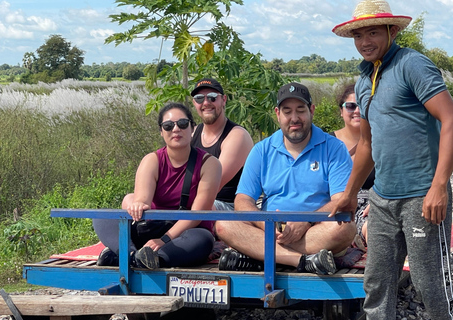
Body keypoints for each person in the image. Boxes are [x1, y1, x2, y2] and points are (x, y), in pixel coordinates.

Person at [331, 0, 453, 319]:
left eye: (373, 32)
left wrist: (439, 186)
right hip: (382, 201)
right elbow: (367, 144)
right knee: (377, 284)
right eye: (359, 35)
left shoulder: (411, 65)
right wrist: (350, 194)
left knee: (429, 284)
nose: (365, 42)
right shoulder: (364, 81)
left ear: (392, 31)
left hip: (422, 197)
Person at [215, 82, 357, 275]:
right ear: (277, 113)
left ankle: (259, 256)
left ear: (311, 111)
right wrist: (265, 223)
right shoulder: (262, 150)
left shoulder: (334, 148)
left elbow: (341, 199)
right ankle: (300, 261)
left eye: (300, 110)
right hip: (270, 231)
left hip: (313, 231)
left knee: (345, 229)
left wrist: (306, 222)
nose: (294, 118)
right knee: (224, 225)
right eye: (287, 111)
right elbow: (243, 199)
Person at [93, 102, 222, 269]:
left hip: (185, 232)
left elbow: (196, 215)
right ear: (161, 132)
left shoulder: (210, 164)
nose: (175, 129)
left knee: (203, 240)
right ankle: (132, 255)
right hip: (151, 227)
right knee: (102, 216)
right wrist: (137, 204)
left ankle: (148, 259)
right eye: (168, 126)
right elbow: (142, 201)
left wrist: (163, 241)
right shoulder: (151, 160)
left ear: (193, 129)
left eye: (182, 124)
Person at [190, 78, 254, 211]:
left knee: (201, 206)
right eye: (199, 98)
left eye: (213, 97)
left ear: (224, 100)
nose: (206, 103)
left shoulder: (237, 135)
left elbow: (213, 184)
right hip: (195, 198)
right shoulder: (193, 132)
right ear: (194, 103)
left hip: (228, 206)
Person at [330, 84, 375, 250]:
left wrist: (380, 199)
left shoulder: (381, 141)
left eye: (362, 106)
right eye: (350, 106)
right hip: (339, 202)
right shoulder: (327, 143)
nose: (357, 111)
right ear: (341, 111)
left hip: (373, 202)